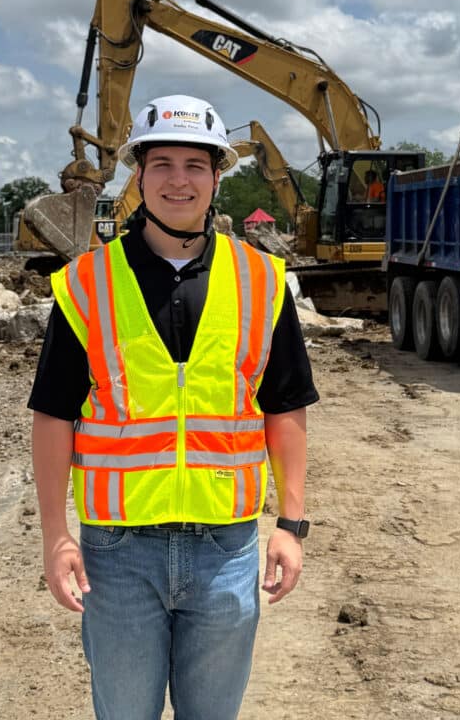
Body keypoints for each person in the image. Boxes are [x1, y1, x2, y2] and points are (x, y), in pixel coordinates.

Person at [28, 94, 318, 720]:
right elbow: (53, 415)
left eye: (195, 165)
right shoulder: (86, 283)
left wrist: (291, 525)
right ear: (139, 175)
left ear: (217, 178)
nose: (178, 180)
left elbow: (285, 408)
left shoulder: (264, 281)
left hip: (225, 549)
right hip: (118, 552)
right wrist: (56, 536)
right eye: (162, 164)